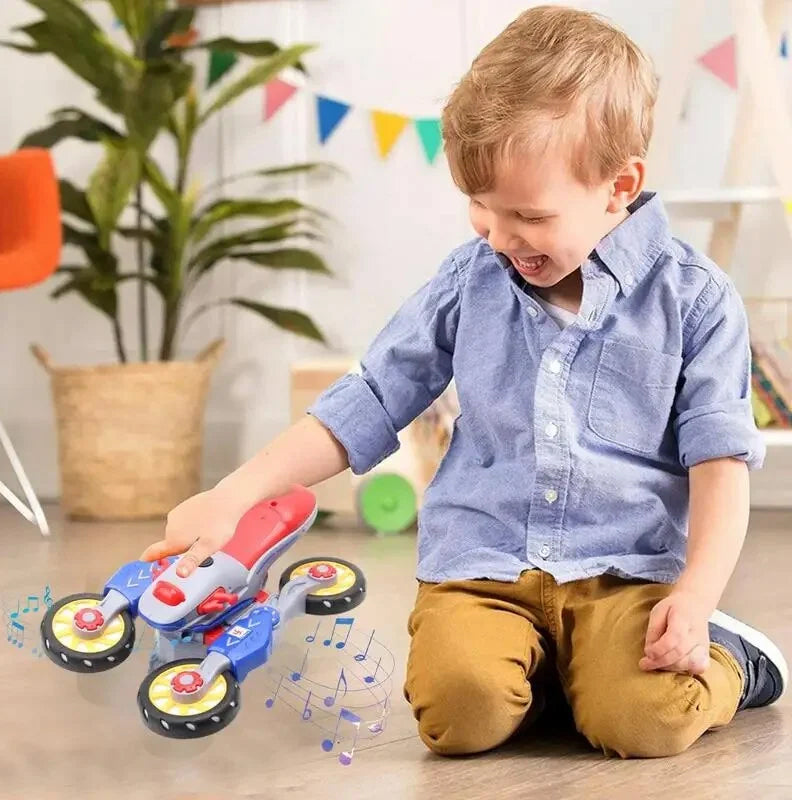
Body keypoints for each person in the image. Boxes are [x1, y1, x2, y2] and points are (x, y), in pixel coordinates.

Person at [141, 5, 787, 759]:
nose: (499, 235)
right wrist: (233, 495)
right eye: (480, 206)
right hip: (484, 565)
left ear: (620, 186)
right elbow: (368, 399)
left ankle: (731, 659)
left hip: (625, 573)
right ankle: (553, 674)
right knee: (459, 717)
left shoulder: (696, 300)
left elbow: (719, 466)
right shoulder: (469, 281)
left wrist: (696, 595)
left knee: (646, 723)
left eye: (527, 215)